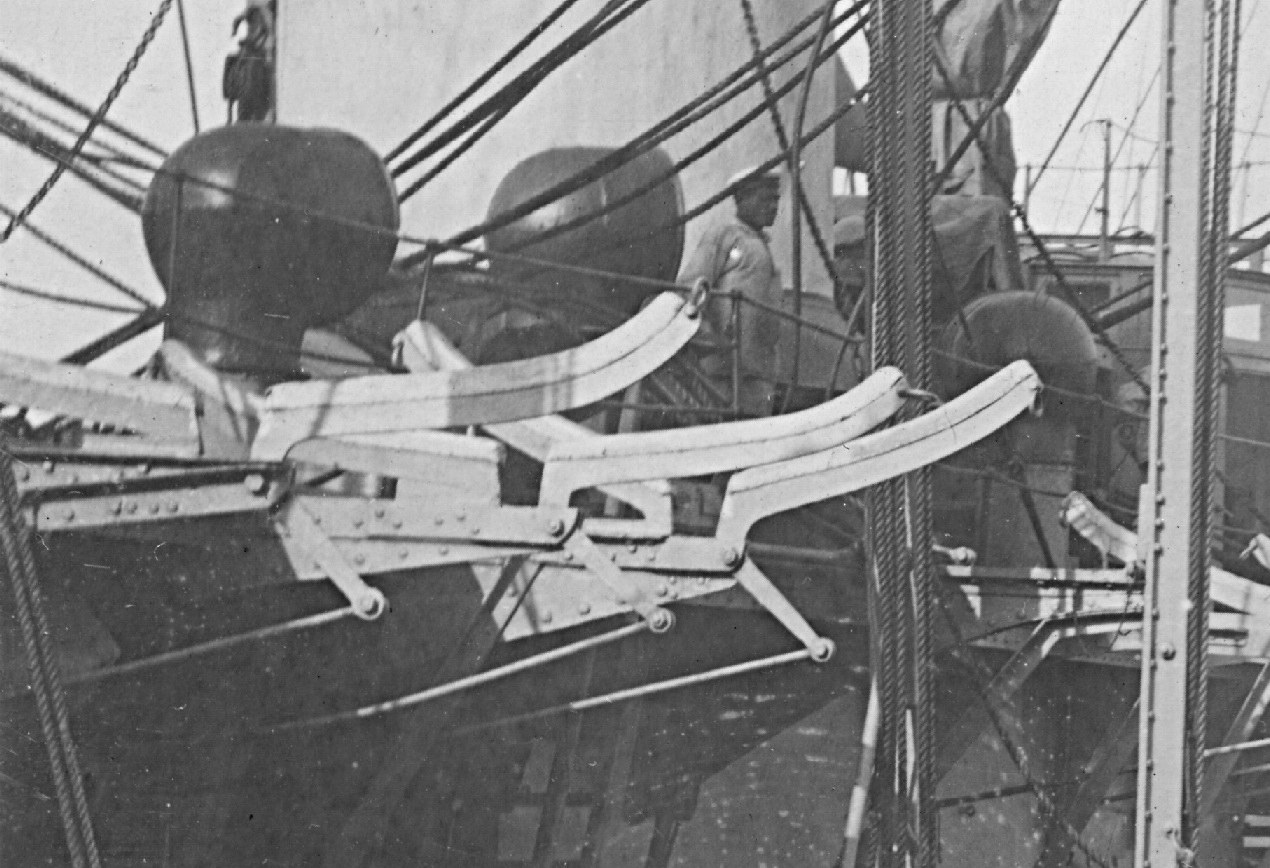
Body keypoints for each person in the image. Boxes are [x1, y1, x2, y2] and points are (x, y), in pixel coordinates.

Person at [677, 166, 786, 413]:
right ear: (742, 199)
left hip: (758, 373)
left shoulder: (759, 244)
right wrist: (709, 341)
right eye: (765, 199)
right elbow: (689, 289)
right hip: (725, 374)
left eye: (775, 199)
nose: (773, 207)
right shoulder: (724, 235)